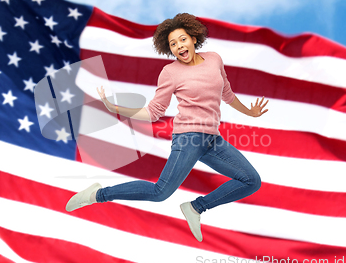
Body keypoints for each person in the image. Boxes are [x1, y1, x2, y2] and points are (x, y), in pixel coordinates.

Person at [66, 13, 268, 242]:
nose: (179, 46)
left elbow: (227, 94)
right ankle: (97, 194)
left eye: (182, 40)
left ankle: (195, 207)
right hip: (188, 138)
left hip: (213, 140)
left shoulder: (214, 59)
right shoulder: (170, 73)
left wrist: (249, 112)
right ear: (169, 49)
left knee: (251, 181)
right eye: (173, 44)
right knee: (160, 192)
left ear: (193, 38)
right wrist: (115, 108)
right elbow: (153, 112)